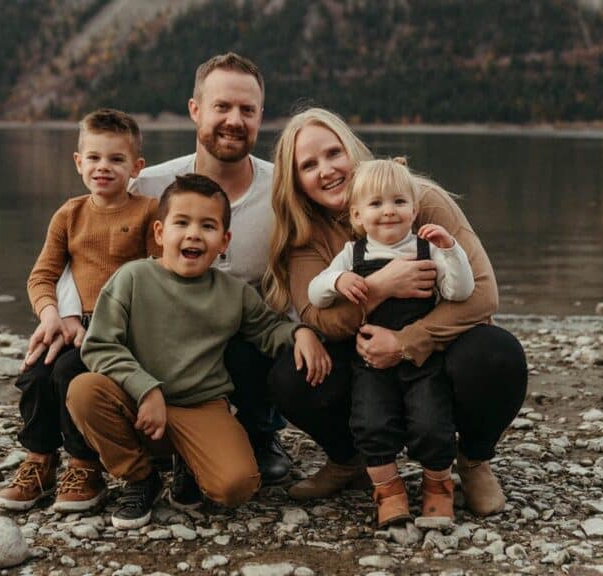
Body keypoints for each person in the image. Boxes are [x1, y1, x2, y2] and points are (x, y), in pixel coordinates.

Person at [263, 108, 528, 519]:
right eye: (309, 165)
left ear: (352, 150)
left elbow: (483, 294)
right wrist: (382, 286)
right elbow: (319, 317)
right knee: (289, 374)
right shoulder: (304, 232)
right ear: (295, 179)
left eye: (334, 153)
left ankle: (473, 460)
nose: (327, 170)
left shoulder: (418, 199)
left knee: (496, 353)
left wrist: (406, 342)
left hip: (434, 351)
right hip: (362, 356)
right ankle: (349, 460)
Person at [47, 52, 292, 486]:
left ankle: (259, 433)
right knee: (65, 367)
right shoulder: (152, 186)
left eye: (246, 110)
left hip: (238, 335)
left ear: (259, 117)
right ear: (195, 110)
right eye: (222, 106)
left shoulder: (284, 192)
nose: (234, 119)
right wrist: (61, 311)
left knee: (259, 347)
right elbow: (86, 249)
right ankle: (96, 461)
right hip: (162, 340)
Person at [66, 174, 329, 529]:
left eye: (207, 226)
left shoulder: (232, 292)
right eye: (182, 223)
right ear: (160, 233)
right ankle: (140, 477)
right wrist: (145, 388)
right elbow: (100, 345)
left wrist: (301, 333)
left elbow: (268, 329)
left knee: (236, 488)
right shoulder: (132, 278)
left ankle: (188, 461)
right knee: (84, 391)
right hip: (139, 403)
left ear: (224, 241)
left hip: (200, 404)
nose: (193, 234)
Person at [0, 109, 159, 513]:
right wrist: (51, 315)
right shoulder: (70, 214)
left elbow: (159, 280)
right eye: (95, 157)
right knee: (35, 372)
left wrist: (111, 326)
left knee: (71, 374)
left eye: (116, 160)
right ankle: (40, 460)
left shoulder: (148, 211)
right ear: (78, 161)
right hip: (72, 324)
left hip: (121, 331)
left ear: (136, 167)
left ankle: (85, 466)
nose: (104, 167)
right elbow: (42, 275)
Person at [306, 158, 475, 527]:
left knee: (433, 422)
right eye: (376, 204)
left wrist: (452, 250)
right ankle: (389, 492)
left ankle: (438, 489)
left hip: (421, 361)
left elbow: (461, 291)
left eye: (399, 202)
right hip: (369, 364)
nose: (389, 211)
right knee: (371, 422)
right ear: (357, 216)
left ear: (414, 209)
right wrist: (335, 282)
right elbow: (314, 294)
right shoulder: (353, 255)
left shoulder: (428, 250)